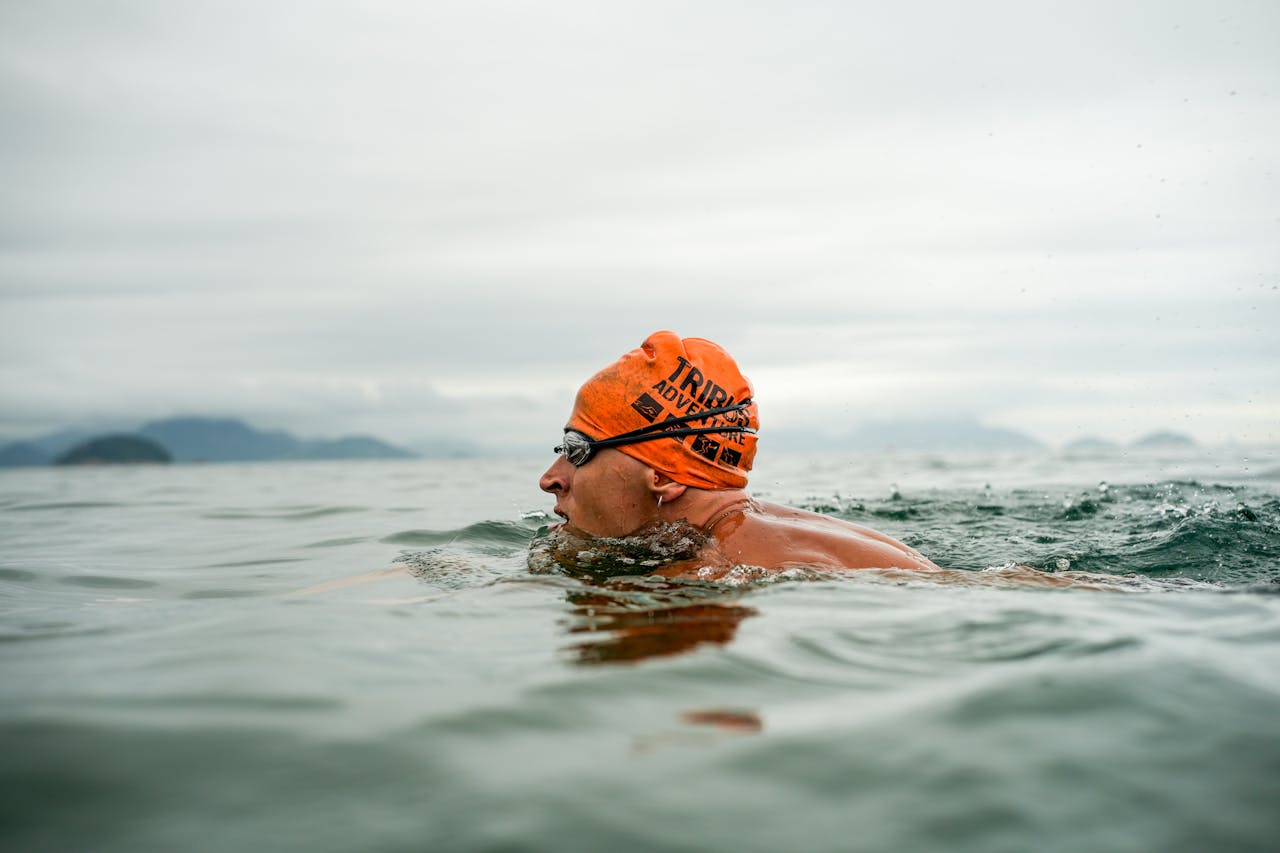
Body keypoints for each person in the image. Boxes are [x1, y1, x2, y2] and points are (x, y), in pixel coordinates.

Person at [538, 330, 940, 578]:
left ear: (664, 475)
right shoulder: (757, 528)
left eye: (578, 450)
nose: (550, 478)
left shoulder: (717, 570)